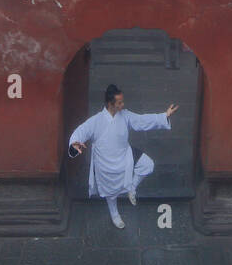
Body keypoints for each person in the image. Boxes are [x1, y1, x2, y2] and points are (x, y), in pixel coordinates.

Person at [68, 84, 178, 228]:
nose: (122, 104)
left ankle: (131, 188)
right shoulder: (96, 121)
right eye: (119, 102)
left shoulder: (125, 115)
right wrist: (75, 144)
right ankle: (115, 214)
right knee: (110, 192)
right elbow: (80, 132)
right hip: (105, 162)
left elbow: (141, 121)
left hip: (125, 154)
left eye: (122, 101)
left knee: (148, 164)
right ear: (110, 103)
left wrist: (164, 116)